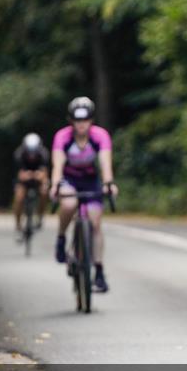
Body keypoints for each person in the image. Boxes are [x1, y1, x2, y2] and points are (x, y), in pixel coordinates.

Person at [48, 96, 118, 293]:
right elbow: (57, 164)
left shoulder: (100, 136)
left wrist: (109, 184)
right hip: (69, 179)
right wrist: (55, 185)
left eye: (85, 119)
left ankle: (99, 271)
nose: (81, 124)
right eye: (77, 120)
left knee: (95, 223)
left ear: (91, 120)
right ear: (71, 121)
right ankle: (61, 238)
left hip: (90, 180)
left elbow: (105, 163)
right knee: (69, 204)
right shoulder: (63, 137)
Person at [12, 133, 50, 237]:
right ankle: (18, 223)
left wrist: (39, 176)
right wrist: (29, 175)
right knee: (19, 197)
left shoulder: (44, 154)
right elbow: (19, 174)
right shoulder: (19, 154)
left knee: (44, 192)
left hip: (38, 179)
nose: (32, 155)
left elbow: (44, 173)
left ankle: (40, 215)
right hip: (24, 180)